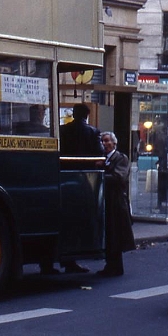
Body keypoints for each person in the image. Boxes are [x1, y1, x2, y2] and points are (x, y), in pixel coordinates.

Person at [41, 103, 102, 275]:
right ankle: (70, 261)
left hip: (62, 177)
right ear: (87, 115)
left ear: (73, 114)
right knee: (76, 224)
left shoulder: (63, 130)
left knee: (59, 221)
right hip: (82, 181)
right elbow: (99, 154)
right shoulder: (92, 132)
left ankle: (48, 263)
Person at [97, 131, 135, 277]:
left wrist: (100, 173)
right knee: (109, 234)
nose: (104, 144)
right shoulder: (103, 158)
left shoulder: (121, 158)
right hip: (108, 201)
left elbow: (118, 177)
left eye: (107, 141)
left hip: (117, 202)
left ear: (114, 143)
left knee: (116, 234)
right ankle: (110, 264)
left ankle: (116, 266)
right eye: (102, 141)